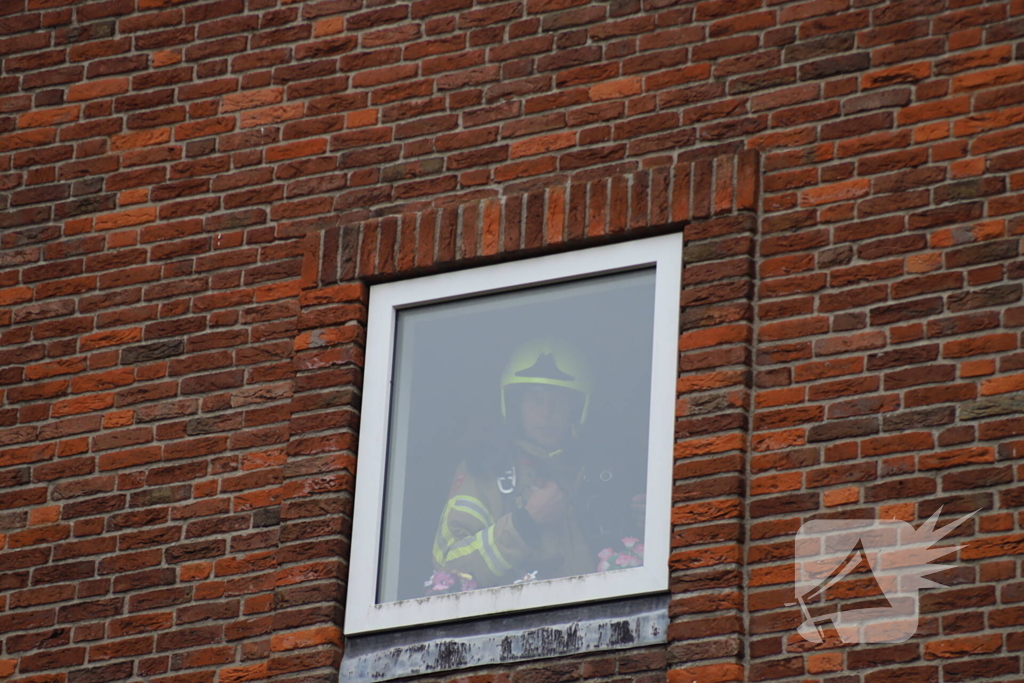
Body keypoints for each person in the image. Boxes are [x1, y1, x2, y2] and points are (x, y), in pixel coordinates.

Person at [430, 339, 643, 591]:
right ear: (516, 406)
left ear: (575, 409)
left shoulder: (603, 472)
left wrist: (648, 527)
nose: (546, 414)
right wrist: (524, 523)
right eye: (536, 400)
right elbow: (447, 567)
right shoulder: (485, 470)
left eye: (558, 401)